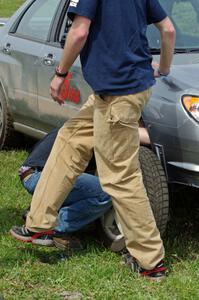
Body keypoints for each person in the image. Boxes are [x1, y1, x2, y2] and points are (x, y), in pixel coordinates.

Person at [11, 0, 176, 280]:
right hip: (113, 94)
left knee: (119, 177)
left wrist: (60, 74)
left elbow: (78, 32)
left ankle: (151, 263)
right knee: (70, 139)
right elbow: (169, 30)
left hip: (117, 96)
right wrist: (165, 67)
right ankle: (39, 224)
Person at [17, 128, 112, 249]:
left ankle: (37, 212)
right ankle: (52, 228)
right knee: (106, 192)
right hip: (40, 176)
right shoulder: (96, 132)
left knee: (86, 186)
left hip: (29, 174)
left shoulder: (74, 127)